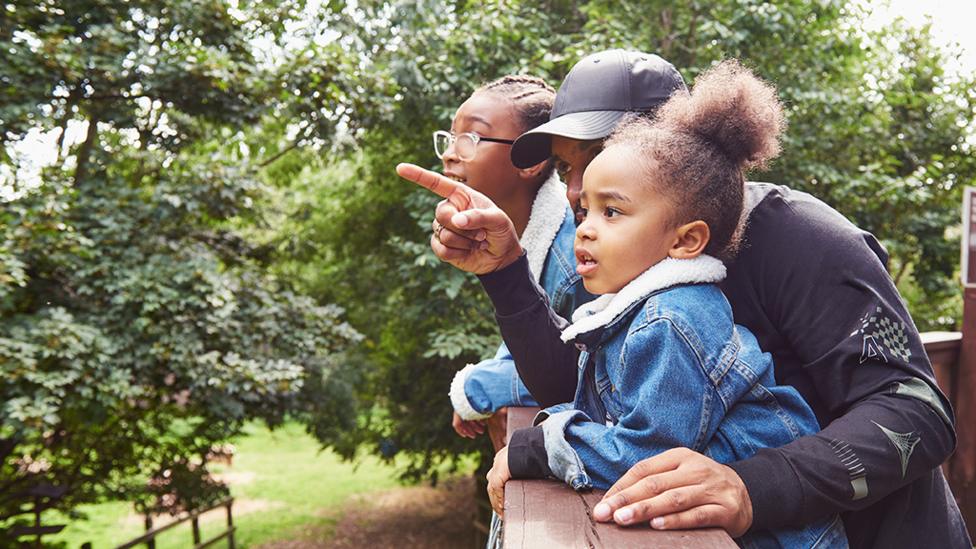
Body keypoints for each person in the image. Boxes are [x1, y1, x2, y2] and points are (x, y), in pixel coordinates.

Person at [397, 49, 970, 548]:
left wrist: (752, 486)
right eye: (568, 169)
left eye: (597, 154)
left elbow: (916, 412)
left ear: (674, 144)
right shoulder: (640, 260)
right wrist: (504, 272)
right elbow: (579, 388)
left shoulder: (802, 237)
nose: (575, 192)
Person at [499, 59, 846, 547]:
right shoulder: (638, 301)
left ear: (686, 240)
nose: (582, 217)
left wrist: (541, 446)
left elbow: (649, 450)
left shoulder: (671, 318)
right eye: (574, 181)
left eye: (612, 209)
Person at [432, 75, 593, 441]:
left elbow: (588, 368)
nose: (450, 153)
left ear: (531, 161)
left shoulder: (575, 256)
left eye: (471, 138)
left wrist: (478, 387)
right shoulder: (526, 237)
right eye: (451, 137)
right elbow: (531, 331)